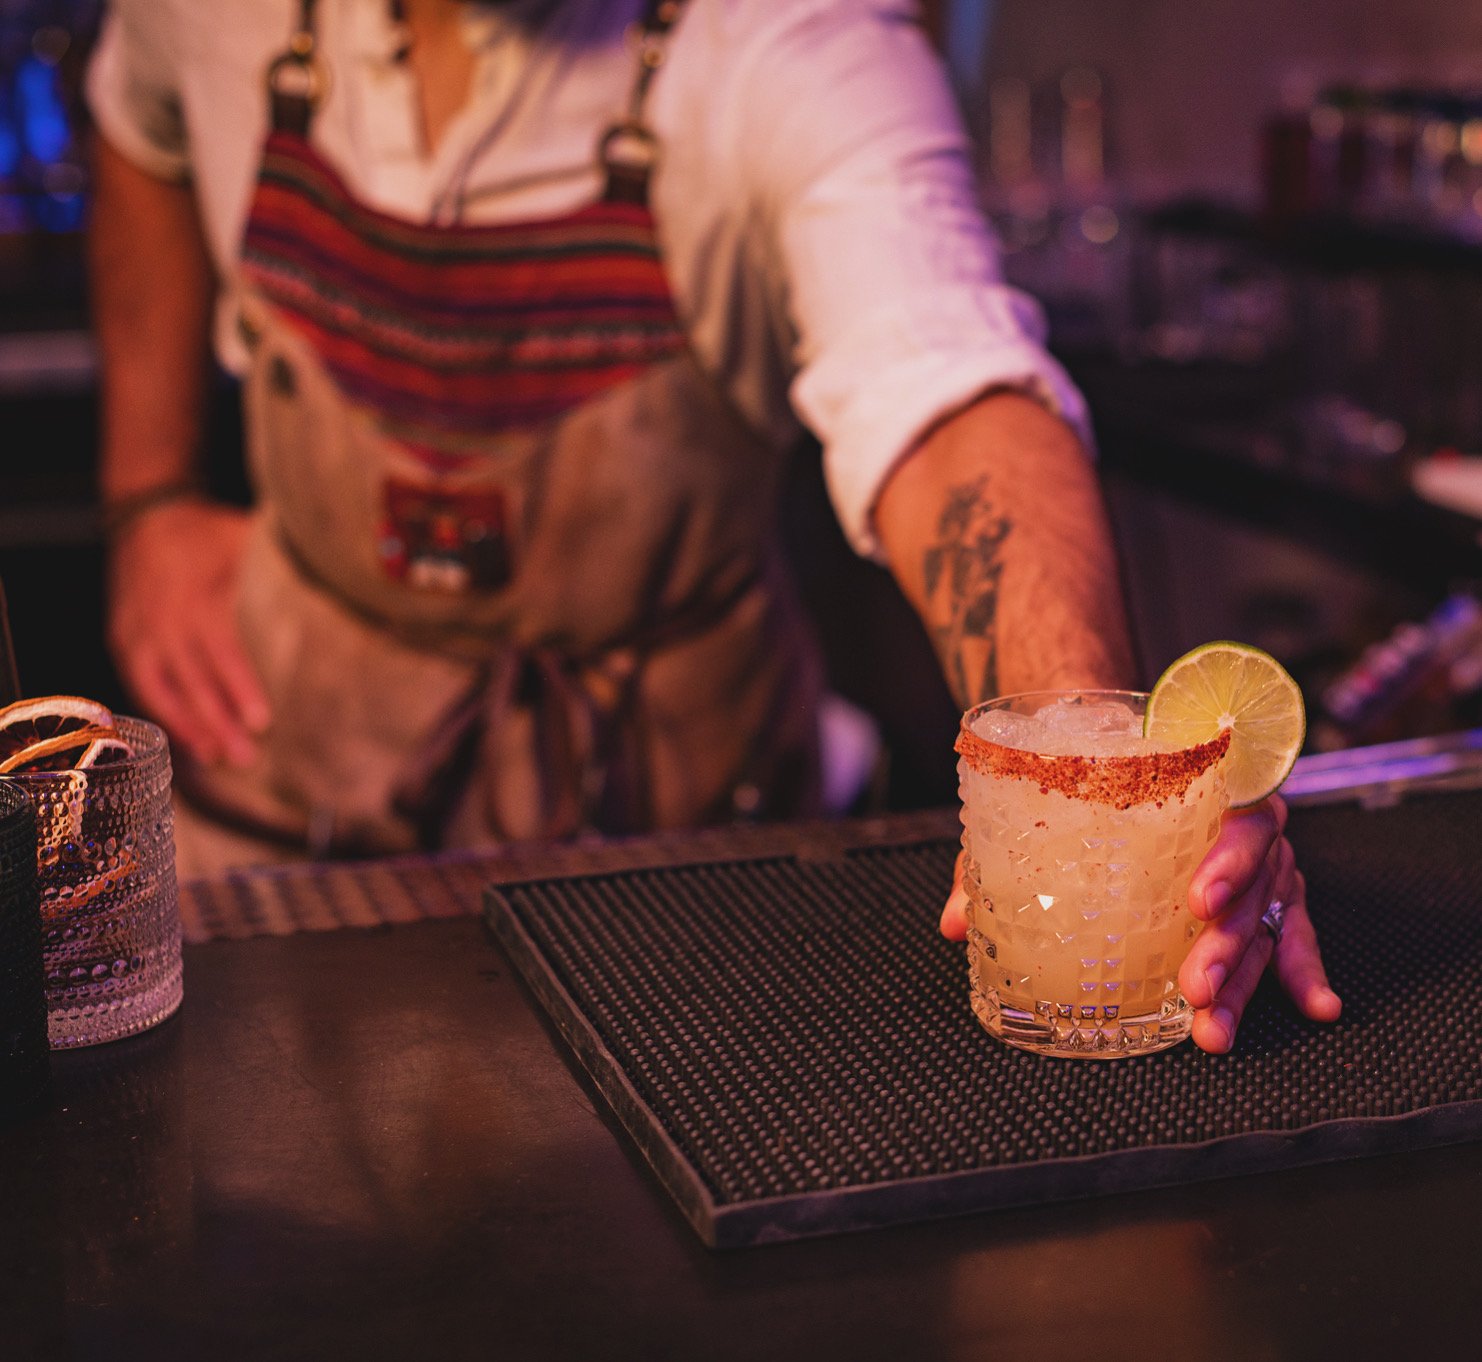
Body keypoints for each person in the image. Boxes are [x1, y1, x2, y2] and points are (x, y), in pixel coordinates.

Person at [85, 0, 1339, 1052]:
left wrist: (1090, 780)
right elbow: (135, 118)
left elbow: (951, 398)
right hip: (280, 832)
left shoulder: (797, 39)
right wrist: (148, 492)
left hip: (690, 876)